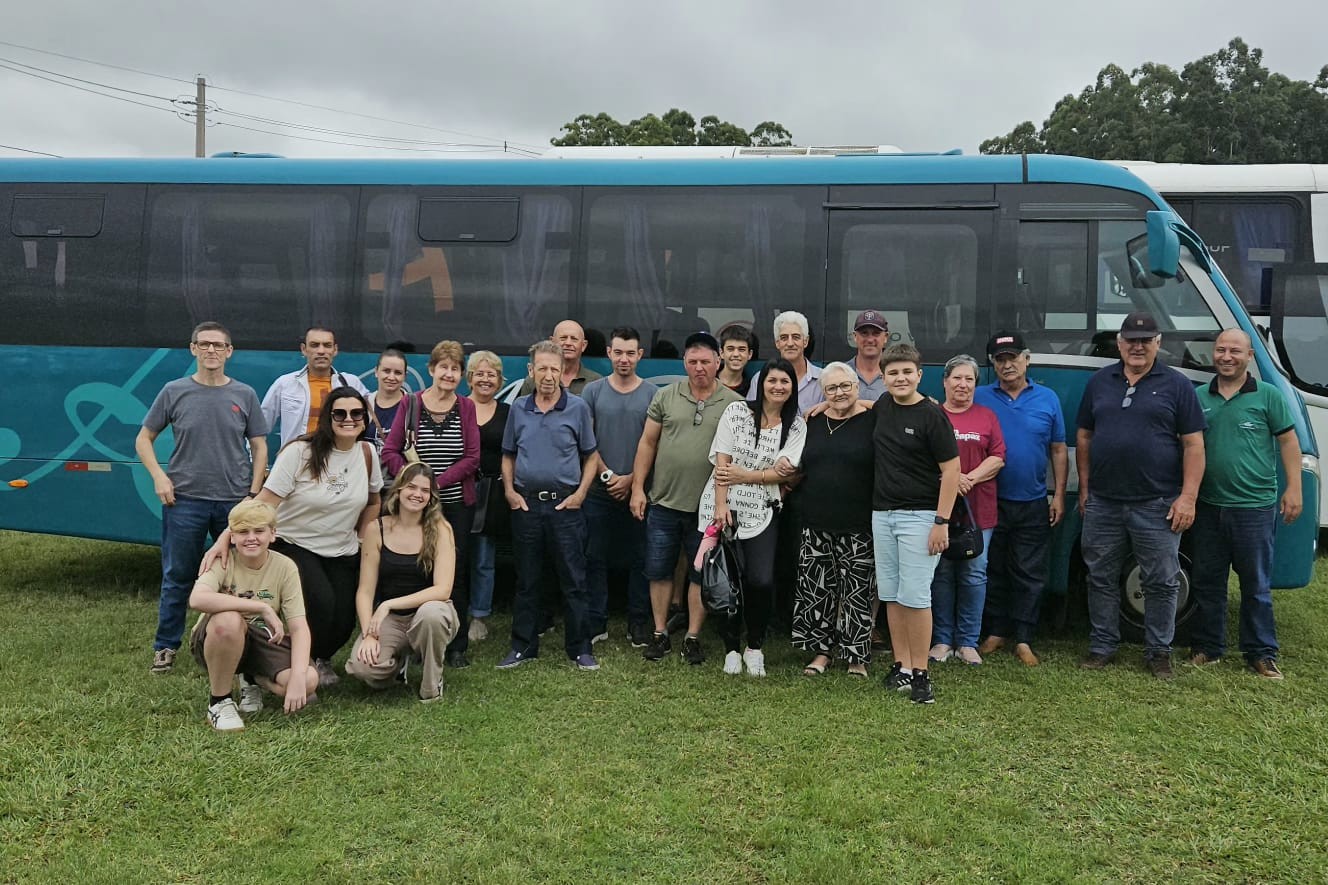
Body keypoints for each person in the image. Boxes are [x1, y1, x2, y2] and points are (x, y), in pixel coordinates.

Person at [204, 387, 383, 687]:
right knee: (321, 604)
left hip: (343, 548)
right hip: (296, 543)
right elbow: (263, 502)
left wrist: (364, 538)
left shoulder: (367, 454)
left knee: (343, 620)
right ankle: (293, 663)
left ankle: (317, 657)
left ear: (365, 419)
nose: (348, 419)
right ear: (327, 417)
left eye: (356, 413)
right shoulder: (300, 452)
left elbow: (374, 500)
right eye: (339, 413)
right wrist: (227, 534)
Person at [1077, 312, 1206, 680]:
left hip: (1157, 503)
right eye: (1131, 340)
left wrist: (1188, 497)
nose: (1137, 346)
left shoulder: (1177, 385)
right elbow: (1084, 436)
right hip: (1103, 501)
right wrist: (1085, 489)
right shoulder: (1099, 382)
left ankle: (1158, 652)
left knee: (1162, 581)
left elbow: (1194, 445)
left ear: (1158, 343)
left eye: (1145, 340)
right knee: (1099, 576)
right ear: (1119, 344)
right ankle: (1102, 646)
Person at [137, 321, 269, 675]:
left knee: (242, 577)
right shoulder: (174, 391)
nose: (212, 350)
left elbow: (259, 446)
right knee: (178, 575)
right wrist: (159, 477)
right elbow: (143, 439)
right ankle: (166, 646)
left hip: (234, 503)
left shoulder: (244, 394)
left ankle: (245, 644)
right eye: (205, 344)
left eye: (219, 345)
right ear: (193, 349)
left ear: (230, 351)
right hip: (185, 501)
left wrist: (253, 494)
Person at [1187, 328, 1302, 679]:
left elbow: (1288, 442)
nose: (1226, 357)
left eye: (1235, 351)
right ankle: (1208, 647)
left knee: (1256, 584)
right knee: (1208, 582)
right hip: (1209, 505)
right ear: (1213, 353)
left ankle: (1261, 653)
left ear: (1249, 356)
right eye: (1221, 350)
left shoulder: (1268, 396)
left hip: (1254, 507)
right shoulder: (1198, 396)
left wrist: (1294, 487)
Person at [630, 331, 744, 664]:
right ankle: (660, 632)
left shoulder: (734, 404)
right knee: (658, 570)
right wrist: (637, 488)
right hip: (663, 502)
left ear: (718, 362)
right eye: (693, 361)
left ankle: (693, 636)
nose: (699, 368)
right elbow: (647, 443)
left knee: (699, 574)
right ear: (684, 362)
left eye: (705, 361)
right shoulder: (665, 396)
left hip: (707, 509)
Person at [700, 358, 806, 676]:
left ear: (793, 387)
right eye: (772, 380)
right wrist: (721, 505)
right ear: (762, 384)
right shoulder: (737, 412)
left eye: (785, 381)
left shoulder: (796, 425)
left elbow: (784, 473)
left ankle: (754, 646)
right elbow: (723, 462)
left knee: (760, 580)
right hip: (725, 507)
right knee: (727, 580)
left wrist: (746, 475)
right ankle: (731, 647)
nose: (778, 387)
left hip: (763, 510)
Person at [499, 339, 600, 671]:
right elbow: (508, 454)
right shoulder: (519, 408)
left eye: (554, 369)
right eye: (541, 368)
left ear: (562, 372)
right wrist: (510, 492)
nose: (548, 375)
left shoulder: (577, 408)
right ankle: (523, 646)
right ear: (531, 370)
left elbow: (590, 456)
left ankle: (580, 648)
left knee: (574, 580)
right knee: (527, 581)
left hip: (565, 508)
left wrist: (581, 494)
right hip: (527, 507)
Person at [382, 340, 480, 669]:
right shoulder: (410, 404)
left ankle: (457, 646)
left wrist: (435, 485)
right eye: (443, 367)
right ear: (431, 369)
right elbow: (390, 451)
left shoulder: (466, 408)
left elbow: (472, 457)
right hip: (414, 507)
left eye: (455, 369)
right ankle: (413, 640)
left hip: (455, 506)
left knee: (456, 572)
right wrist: (414, 483)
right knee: (416, 570)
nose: (449, 374)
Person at [873, 343, 960, 704]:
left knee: (916, 596)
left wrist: (942, 521)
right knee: (892, 595)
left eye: (907, 372)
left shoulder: (932, 416)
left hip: (921, 517)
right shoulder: (882, 405)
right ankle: (902, 665)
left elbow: (952, 471)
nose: (900, 378)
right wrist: (825, 406)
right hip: (883, 514)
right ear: (883, 377)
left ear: (919, 375)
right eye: (893, 372)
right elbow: (863, 407)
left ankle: (921, 674)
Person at [975, 331, 1067, 667]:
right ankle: (997, 631)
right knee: (993, 567)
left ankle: (1024, 637)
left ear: (1026, 360)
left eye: (1013, 358)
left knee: (1030, 571)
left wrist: (1058, 495)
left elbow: (1058, 449)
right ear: (993, 364)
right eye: (1000, 360)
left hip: (1032, 500)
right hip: (990, 498)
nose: (1007, 365)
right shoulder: (980, 397)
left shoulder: (1048, 398)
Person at [188, 500, 317, 731]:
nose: (251, 538)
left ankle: (252, 677)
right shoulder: (222, 559)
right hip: (217, 637)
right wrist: (262, 607)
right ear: (232, 536)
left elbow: (299, 627)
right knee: (228, 619)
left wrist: (298, 677)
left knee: (309, 679)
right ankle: (219, 702)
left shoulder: (285, 566)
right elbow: (197, 599)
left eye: (259, 531)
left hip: (262, 637)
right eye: (243, 532)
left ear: (272, 534)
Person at [345, 464, 461, 701]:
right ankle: (397, 667)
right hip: (392, 620)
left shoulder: (441, 529)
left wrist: (388, 604)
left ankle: (431, 685)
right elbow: (365, 591)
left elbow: (443, 590)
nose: (417, 494)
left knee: (431, 614)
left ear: (431, 497)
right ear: (399, 489)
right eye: (411, 487)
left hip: (431, 613)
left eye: (425, 490)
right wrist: (369, 634)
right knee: (363, 667)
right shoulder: (377, 529)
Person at [790, 362, 875, 677]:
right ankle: (821, 653)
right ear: (822, 392)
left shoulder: (873, 419)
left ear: (857, 387)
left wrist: (859, 402)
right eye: (831, 388)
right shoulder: (811, 421)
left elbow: (896, 404)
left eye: (845, 386)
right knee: (817, 590)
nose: (839, 393)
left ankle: (856, 657)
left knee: (857, 592)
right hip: (815, 520)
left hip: (859, 522)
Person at [581, 327, 656, 646]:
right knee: (594, 556)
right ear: (609, 353)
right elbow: (587, 441)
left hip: (639, 490)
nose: (624, 359)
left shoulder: (653, 394)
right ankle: (596, 621)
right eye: (618, 352)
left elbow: (653, 443)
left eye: (630, 353)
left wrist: (632, 481)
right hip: (599, 491)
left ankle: (638, 622)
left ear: (640, 355)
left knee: (641, 558)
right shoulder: (593, 392)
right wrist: (608, 476)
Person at [929, 355, 1005, 665]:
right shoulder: (933, 415)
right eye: (957, 378)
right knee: (942, 574)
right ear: (945, 381)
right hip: (939, 510)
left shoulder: (987, 416)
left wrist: (967, 479)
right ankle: (942, 640)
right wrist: (950, 479)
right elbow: (921, 457)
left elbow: (998, 457)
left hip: (978, 510)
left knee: (974, 573)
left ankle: (968, 641)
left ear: (976, 384)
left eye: (969, 379)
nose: (963, 384)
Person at [464, 350, 510, 643]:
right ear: (469, 378)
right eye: (479, 374)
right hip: (457, 489)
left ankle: (479, 616)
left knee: (483, 557)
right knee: (453, 554)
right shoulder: (456, 407)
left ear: (499, 380)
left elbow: (511, 454)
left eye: (491, 374)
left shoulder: (507, 412)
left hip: (491, 493)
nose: (485, 379)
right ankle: (450, 609)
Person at [262, 326, 370, 448]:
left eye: (327, 345)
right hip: (296, 457)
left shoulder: (351, 383)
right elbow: (259, 429)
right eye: (314, 345)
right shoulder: (285, 384)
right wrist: (257, 458)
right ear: (304, 349)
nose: (321, 351)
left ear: (335, 350)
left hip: (338, 456)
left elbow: (373, 414)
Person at [747, 311, 823, 414]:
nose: (790, 343)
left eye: (796, 337)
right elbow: (751, 416)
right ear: (777, 343)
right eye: (784, 338)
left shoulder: (823, 379)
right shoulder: (759, 379)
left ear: (805, 341)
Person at [518, 319, 602, 396]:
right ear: (552, 341)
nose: (568, 343)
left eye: (574, 339)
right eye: (563, 338)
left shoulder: (596, 382)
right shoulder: (533, 380)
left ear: (583, 345)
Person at [366, 347, 409, 457]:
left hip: (399, 467)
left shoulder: (413, 407)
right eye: (386, 371)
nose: (391, 377)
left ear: (405, 376)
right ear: (376, 372)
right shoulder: (362, 405)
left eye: (398, 373)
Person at [850, 310, 889, 402]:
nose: (870, 340)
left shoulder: (896, 375)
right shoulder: (840, 373)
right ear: (855, 336)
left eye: (876, 333)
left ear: (886, 337)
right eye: (864, 333)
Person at [717, 323, 755, 393]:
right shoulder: (709, 381)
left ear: (750, 354)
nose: (736, 354)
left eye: (741, 349)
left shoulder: (753, 389)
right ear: (721, 353)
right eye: (730, 349)